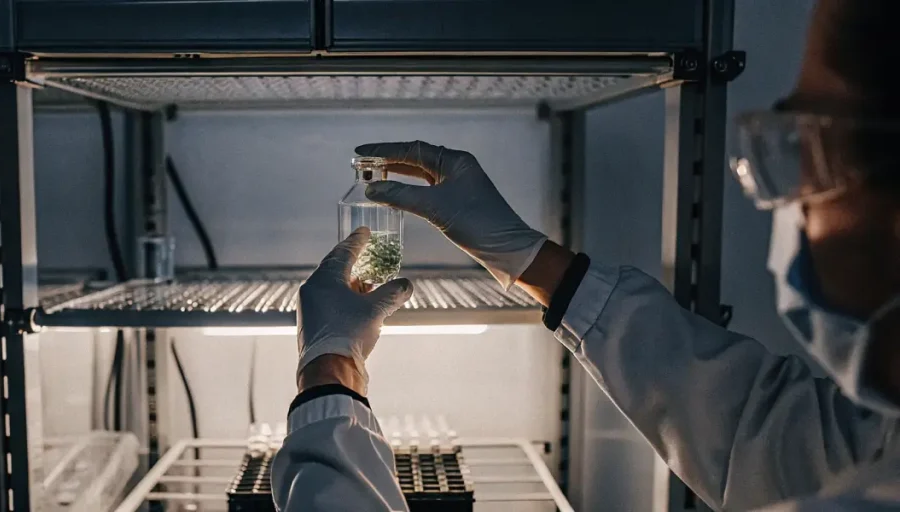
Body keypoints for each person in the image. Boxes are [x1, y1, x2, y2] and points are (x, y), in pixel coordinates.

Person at [271, 1, 900, 510]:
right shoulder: (879, 443)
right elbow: (756, 434)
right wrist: (528, 258)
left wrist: (328, 370)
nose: (790, 204)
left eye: (798, 147)